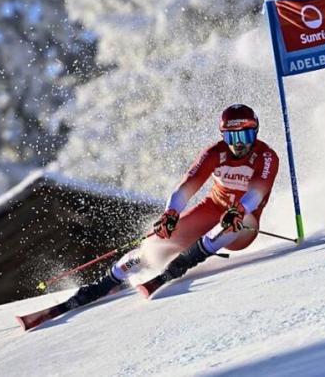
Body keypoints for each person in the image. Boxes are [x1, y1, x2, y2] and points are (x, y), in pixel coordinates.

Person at [65, 104, 280, 308]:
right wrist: (170, 213)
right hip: (213, 208)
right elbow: (186, 187)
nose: (238, 144)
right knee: (159, 240)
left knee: (236, 222)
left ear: (256, 132)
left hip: (243, 222)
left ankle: (182, 264)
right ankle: (108, 281)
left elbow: (255, 194)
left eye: (245, 135)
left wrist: (239, 210)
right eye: (231, 137)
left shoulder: (266, 156)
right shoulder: (215, 153)